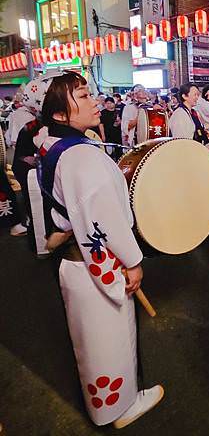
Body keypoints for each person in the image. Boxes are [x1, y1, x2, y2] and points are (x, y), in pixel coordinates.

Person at [23, 70, 163, 428]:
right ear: (58, 114)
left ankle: (111, 403)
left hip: (74, 265)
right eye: (83, 97)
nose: (95, 101)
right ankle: (119, 408)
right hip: (90, 267)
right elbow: (104, 222)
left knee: (94, 344)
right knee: (109, 342)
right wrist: (132, 261)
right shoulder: (80, 157)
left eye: (90, 93)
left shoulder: (53, 145)